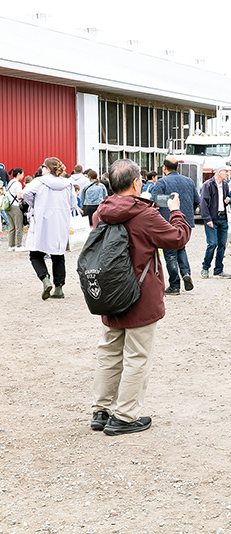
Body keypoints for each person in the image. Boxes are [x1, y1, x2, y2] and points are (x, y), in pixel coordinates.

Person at [90, 158, 191, 435]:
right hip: (139, 293)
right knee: (137, 355)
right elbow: (178, 238)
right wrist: (176, 211)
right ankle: (124, 417)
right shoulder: (145, 214)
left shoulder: (101, 212)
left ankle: (102, 410)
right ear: (137, 183)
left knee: (109, 352)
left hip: (109, 292)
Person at [22, 157, 77, 300]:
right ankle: (59, 288)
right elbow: (73, 204)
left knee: (35, 253)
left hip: (42, 220)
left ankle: (45, 278)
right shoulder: (68, 183)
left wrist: (35, 204)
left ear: (46, 168)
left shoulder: (39, 182)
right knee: (58, 254)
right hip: (60, 221)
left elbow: (26, 193)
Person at [152, 156, 201, 294]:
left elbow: (155, 202)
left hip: (167, 222)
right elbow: (197, 200)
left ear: (164, 168)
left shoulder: (161, 182)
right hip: (185, 221)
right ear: (178, 167)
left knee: (170, 254)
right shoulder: (189, 181)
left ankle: (174, 285)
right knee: (181, 247)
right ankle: (186, 273)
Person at [199, 165, 231, 279]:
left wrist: (227, 200)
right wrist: (207, 219)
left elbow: (226, 198)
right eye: (226, 172)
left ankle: (218, 270)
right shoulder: (208, 185)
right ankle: (205, 267)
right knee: (212, 244)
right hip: (212, 218)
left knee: (222, 245)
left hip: (223, 218)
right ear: (219, 172)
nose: (228, 174)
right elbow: (203, 203)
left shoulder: (225, 185)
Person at [5, 168, 25, 251]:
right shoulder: (17, 184)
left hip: (8, 206)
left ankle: (11, 245)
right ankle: (18, 246)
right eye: (22, 174)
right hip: (16, 206)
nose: (23, 176)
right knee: (19, 226)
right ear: (19, 174)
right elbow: (19, 196)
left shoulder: (10, 182)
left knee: (11, 227)